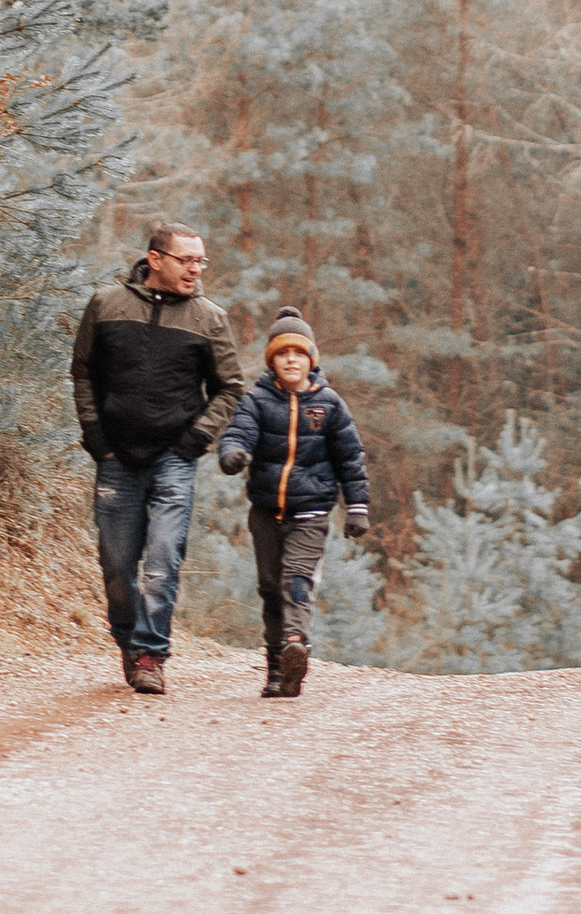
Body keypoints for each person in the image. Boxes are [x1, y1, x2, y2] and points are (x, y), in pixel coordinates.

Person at [70, 224, 244, 695]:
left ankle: (151, 654)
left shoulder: (210, 318)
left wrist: (195, 441)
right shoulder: (106, 305)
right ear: (155, 259)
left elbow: (230, 387)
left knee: (163, 560)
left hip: (174, 459)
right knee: (118, 566)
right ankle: (128, 640)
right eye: (186, 260)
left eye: (200, 261)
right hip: (116, 458)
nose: (196, 269)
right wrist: (94, 435)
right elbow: (82, 371)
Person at [218, 310, 370, 698]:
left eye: (298, 353)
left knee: (296, 581)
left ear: (311, 360)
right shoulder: (257, 400)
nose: (291, 359)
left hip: (311, 513)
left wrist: (357, 507)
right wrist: (233, 452)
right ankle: (275, 667)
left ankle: (295, 642)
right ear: (271, 360)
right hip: (266, 513)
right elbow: (239, 432)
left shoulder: (330, 405)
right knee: (270, 588)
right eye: (282, 353)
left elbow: (351, 459)